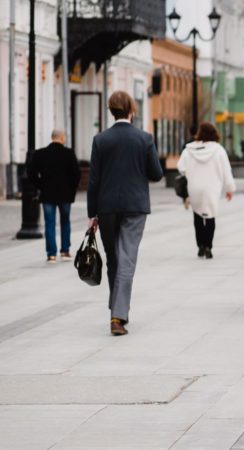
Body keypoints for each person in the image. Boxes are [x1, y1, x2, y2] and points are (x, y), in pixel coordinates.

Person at [87, 90, 163, 336]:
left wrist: (92, 214)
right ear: (131, 110)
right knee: (127, 258)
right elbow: (156, 174)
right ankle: (118, 316)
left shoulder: (101, 139)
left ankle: (117, 308)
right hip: (134, 206)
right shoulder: (144, 138)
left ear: (111, 110)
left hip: (106, 207)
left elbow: (94, 180)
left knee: (114, 259)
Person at [177, 122, 236, 259]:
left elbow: (181, 167)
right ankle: (209, 246)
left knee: (197, 216)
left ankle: (200, 246)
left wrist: (191, 173)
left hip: (194, 187)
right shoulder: (219, 150)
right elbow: (226, 170)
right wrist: (229, 188)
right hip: (212, 187)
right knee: (210, 216)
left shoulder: (189, 150)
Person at [29, 129, 80, 263]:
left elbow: (31, 173)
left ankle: (51, 254)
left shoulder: (41, 154)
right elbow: (76, 175)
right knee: (65, 222)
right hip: (65, 194)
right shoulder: (68, 154)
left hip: (47, 194)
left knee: (49, 223)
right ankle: (65, 251)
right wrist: (71, 189)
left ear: (52, 138)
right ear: (62, 138)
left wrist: (41, 185)